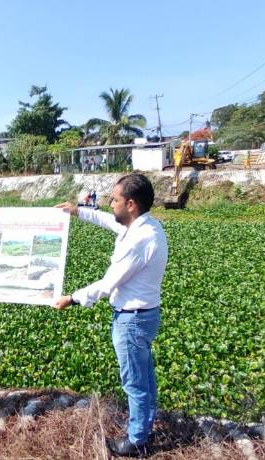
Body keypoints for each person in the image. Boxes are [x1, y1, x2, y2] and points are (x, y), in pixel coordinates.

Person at [53, 174, 168, 458]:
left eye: (114, 200)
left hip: (132, 320)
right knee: (145, 377)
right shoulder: (145, 226)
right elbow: (109, 221)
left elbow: (107, 284)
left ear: (130, 204)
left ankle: (137, 440)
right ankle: (142, 423)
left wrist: (73, 298)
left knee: (136, 382)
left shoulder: (139, 240)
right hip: (145, 315)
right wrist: (79, 211)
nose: (110, 204)